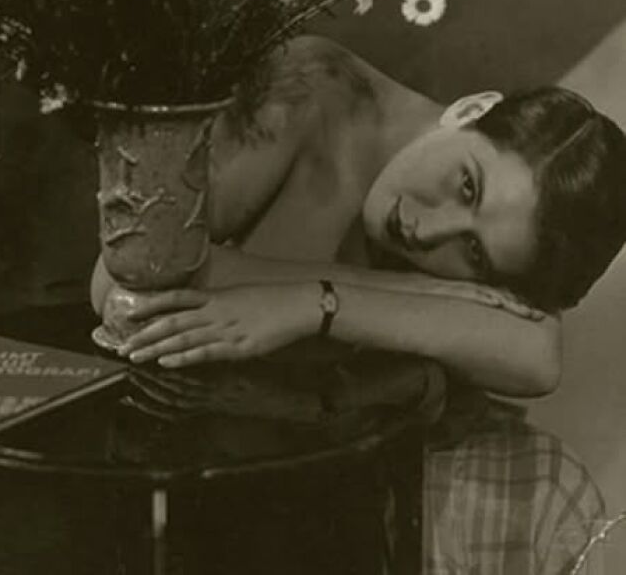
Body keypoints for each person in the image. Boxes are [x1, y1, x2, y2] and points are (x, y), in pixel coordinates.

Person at [90, 34, 626, 398]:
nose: (426, 231)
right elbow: (122, 281)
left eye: (473, 252)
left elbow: (539, 356)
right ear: (470, 111)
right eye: (466, 185)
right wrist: (422, 295)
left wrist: (316, 305)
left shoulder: (511, 239)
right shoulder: (313, 88)